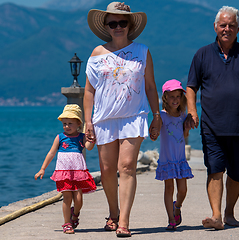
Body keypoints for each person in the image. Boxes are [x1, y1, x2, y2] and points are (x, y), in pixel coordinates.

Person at [186, 6, 239, 230]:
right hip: (211, 125)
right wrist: (192, 111)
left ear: (238, 28)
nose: (227, 29)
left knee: (238, 173)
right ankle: (216, 216)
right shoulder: (202, 54)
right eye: (223, 25)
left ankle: (229, 213)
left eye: (231, 25)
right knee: (215, 169)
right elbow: (191, 87)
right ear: (215, 27)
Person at [85, 1, 161, 237]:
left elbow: (150, 87)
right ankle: (113, 212)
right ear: (107, 26)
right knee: (107, 169)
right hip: (104, 119)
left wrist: (156, 115)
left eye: (122, 22)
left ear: (129, 25)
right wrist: (88, 121)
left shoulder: (143, 52)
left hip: (133, 117)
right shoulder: (97, 54)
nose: (118, 27)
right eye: (113, 23)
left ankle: (124, 222)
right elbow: (89, 91)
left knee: (126, 167)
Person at [34, 104, 96, 234]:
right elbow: (51, 153)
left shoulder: (81, 137)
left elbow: (89, 147)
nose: (66, 126)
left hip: (78, 173)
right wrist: (42, 168)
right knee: (67, 199)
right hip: (63, 173)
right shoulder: (60, 137)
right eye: (64, 123)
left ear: (79, 124)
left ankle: (75, 214)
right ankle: (67, 223)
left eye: (70, 123)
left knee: (78, 200)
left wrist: (92, 138)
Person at [155, 79, 194, 231]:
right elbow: (156, 131)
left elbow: (184, 136)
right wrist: (153, 131)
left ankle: (177, 206)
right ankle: (171, 219)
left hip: (180, 160)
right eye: (172, 96)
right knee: (169, 188)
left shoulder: (183, 116)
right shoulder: (162, 117)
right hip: (167, 160)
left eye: (178, 96)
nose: (175, 100)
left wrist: (188, 125)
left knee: (183, 190)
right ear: (165, 98)